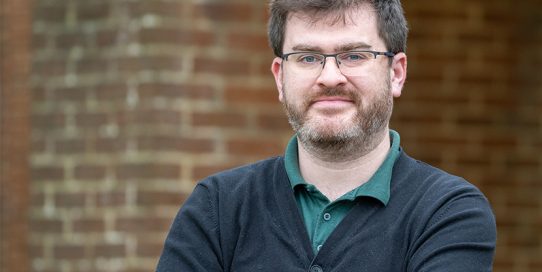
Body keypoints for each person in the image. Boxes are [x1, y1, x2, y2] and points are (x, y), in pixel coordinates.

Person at [156, 0, 496, 271]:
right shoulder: (217, 208)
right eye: (307, 57)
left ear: (396, 73)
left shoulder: (447, 212)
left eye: (353, 55)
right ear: (280, 77)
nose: (330, 77)